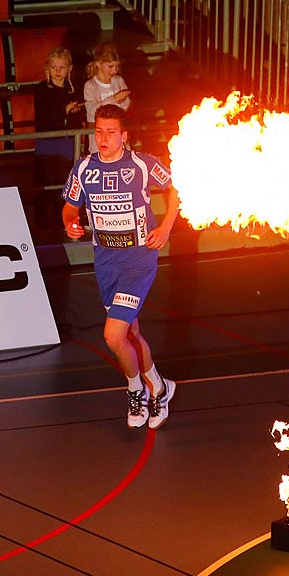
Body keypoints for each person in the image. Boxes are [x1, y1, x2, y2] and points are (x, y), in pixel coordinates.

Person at [62, 104, 182, 429]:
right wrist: (71, 222)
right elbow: (70, 206)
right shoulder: (84, 168)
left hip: (138, 260)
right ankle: (160, 386)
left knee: (113, 336)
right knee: (130, 333)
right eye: (98, 131)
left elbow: (177, 186)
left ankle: (136, 389)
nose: (103, 138)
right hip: (105, 261)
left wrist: (167, 227)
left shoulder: (142, 164)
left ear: (124, 136)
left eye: (110, 132)